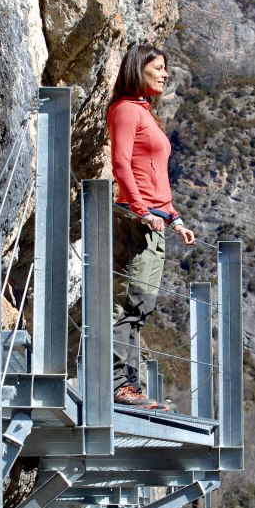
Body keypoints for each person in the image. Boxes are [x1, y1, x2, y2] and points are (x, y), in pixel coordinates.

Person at [107, 44, 195, 408]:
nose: (164, 74)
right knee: (129, 301)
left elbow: (154, 175)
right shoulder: (127, 110)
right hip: (139, 220)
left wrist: (174, 218)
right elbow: (121, 165)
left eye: (165, 69)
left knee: (140, 304)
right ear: (137, 70)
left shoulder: (144, 113)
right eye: (157, 68)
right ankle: (117, 386)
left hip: (154, 222)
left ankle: (130, 385)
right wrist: (143, 211)